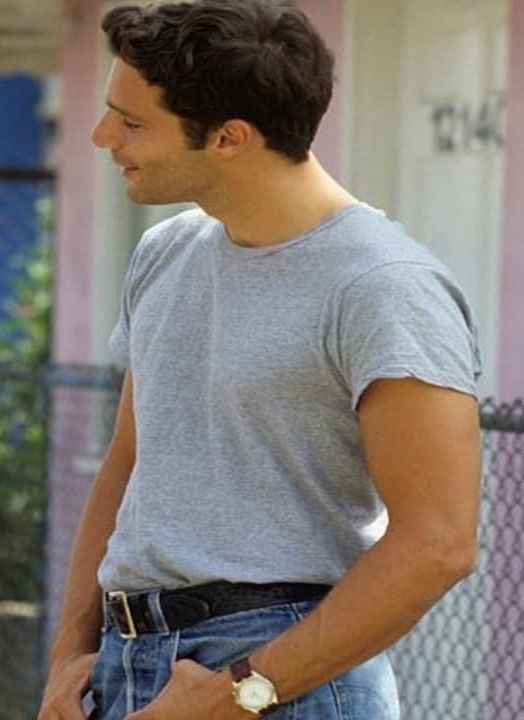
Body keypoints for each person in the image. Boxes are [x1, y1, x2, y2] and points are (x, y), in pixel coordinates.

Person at [38, 1, 482, 719]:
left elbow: (439, 543)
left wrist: (238, 694)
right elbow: (129, 461)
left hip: (281, 677)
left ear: (229, 138)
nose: (101, 137)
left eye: (132, 123)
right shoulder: (165, 253)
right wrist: (69, 653)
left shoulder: (383, 286)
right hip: (128, 664)